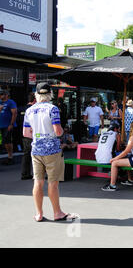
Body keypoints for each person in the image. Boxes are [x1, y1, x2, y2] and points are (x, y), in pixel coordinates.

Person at [23, 82, 76, 222]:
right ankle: (57, 212)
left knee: (38, 182)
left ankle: (39, 214)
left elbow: (26, 133)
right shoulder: (53, 109)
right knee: (53, 183)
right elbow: (58, 131)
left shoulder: (29, 110)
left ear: (36, 94)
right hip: (52, 150)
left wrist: (38, 134)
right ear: (50, 94)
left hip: (36, 150)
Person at [102, 121, 133, 191]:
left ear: (132, 128)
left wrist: (115, 158)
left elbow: (126, 151)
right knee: (127, 157)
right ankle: (130, 179)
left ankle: (112, 185)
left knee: (114, 163)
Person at [0, 89, 18, 165]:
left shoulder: (10, 102)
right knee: (2, 142)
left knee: (7, 141)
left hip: (7, 125)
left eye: (1, 94)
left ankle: (10, 157)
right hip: (1, 125)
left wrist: (11, 124)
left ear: (6, 95)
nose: (0, 96)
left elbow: (14, 113)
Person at [20, 93, 36, 179]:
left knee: (26, 154)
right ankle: (39, 174)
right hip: (32, 135)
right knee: (38, 154)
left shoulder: (21, 108)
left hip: (23, 134)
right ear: (34, 100)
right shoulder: (33, 110)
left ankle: (25, 173)